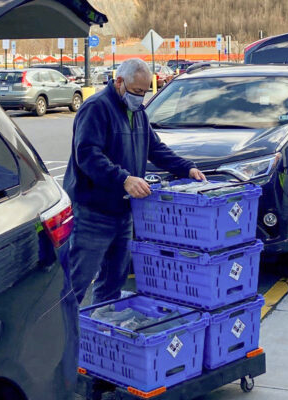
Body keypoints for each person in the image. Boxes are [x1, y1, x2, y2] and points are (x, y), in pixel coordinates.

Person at [62, 58, 206, 305]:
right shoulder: (96, 107)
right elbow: (87, 155)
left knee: (113, 283)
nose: (140, 98)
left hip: (123, 212)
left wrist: (187, 168)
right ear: (119, 82)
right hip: (93, 213)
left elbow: (156, 149)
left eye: (144, 92)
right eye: (136, 91)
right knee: (78, 282)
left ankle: (102, 333)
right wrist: (124, 179)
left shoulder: (138, 112)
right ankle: (64, 338)